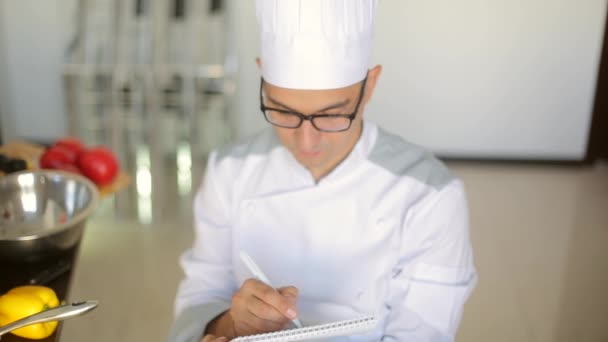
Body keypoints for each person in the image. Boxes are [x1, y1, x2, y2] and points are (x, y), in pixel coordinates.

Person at [169, 1, 477, 341]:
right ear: (262, 81)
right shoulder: (229, 171)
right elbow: (198, 301)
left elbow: (422, 335)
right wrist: (231, 324)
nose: (307, 140)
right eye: (283, 111)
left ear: (369, 86)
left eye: (332, 115)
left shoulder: (429, 195)